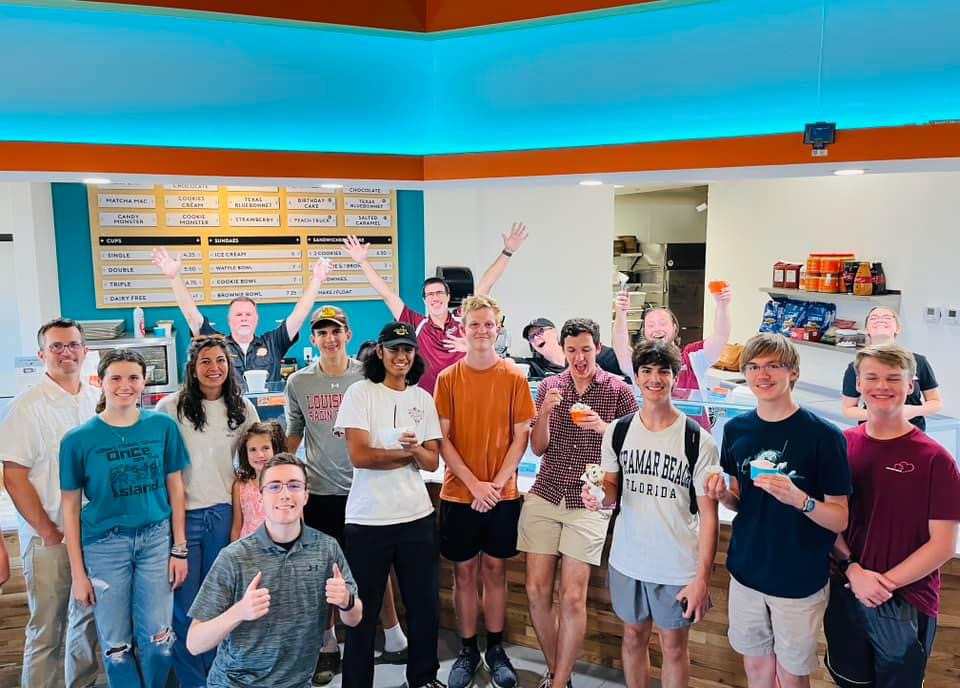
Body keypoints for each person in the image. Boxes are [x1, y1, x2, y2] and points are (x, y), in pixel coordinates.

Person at [703, 333, 851, 688]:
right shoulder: (737, 428)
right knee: (756, 668)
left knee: (792, 675)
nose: (762, 375)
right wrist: (724, 496)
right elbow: (740, 501)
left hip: (799, 579)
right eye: (752, 367)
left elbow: (840, 517)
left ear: (793, 373)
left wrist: (801, 499)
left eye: (773, 366)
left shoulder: (825, 436)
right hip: (746, 571)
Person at [581, 340, 720, 688]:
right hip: (628, 559)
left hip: (676, 564)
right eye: (646, 371)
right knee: (632, 637)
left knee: (673, 648)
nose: (654, 379)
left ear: (676, 377)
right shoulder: (619, 430)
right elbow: (612, 489)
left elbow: (709, 516)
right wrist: (598, 497)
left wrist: (702, 577)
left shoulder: (697, 440)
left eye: (663, 371)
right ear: (637, 376)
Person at [285, 306, 408, 685]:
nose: (330, 338)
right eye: (322, 333)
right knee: (324, 570)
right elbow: (295, 432)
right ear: (314, 339)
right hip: (321, 491)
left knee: (374, 567)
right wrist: (285, 476)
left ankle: (393, 634)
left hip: (367, 488)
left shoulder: (368, 376)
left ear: (348, 334)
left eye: (336, 331)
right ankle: (327, 644)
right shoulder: (299, 383)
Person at [824, 343, 960, 688]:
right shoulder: (840, 446)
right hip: (847, 591)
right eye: (872, 377)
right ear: (857, 384)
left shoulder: (935, 459)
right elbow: (829, 521)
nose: (881, 386)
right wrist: (854, 572)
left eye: (893, 378)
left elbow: (943, 544)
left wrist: (883, 584)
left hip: (906, 602)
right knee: (849, 682)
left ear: (911, 387)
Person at [519, 318, 638, 688]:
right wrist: (548, 414)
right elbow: (537, 448)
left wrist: (604, 427)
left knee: (572, 598)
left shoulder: (618, 390)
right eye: (572, 350)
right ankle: (559, 672)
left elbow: (633, 448)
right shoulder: (551, 386)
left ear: (597, 348)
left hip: (590, 499)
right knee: (537, 591)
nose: (579, 357)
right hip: (546, 490)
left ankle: (557, 682)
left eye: (586, 349)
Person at [60, 349, 190, 688]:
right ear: (99, 382)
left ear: (144, 381)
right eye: (115, 377)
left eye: (133, 377)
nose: (125, 385)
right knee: (117, 645)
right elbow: (70, 507)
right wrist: (78, 573)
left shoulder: (162, 426)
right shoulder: (78, 440)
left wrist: (179, 549)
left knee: (160, 640)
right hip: (105, 547)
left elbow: (176, 488)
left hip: (156, 540)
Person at [186, 453, 363, 688]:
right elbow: (194, 642)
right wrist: (239, 612)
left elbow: (355, 618)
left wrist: (346, 601)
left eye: (294, 485)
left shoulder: (327, 548)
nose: (285, 494)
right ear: (261, 496)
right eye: (274, 486)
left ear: (306, 495)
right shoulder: (234, 557)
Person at [334, 321, 444, 688]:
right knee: (361, 612)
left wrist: (416, 453)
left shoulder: (422, 399)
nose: (401, 356)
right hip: (368, 521)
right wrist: (409, 452)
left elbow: (432, 462)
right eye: (394, 349)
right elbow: (361, 456)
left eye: (408, 349)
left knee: (424, 607)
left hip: (417, 518)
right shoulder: (360, 394)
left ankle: (424, 678)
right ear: (380, 352)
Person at [433, 295, 536, 688]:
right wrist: (474, 484)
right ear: (463, 328)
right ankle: (467, 649)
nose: (481, 331)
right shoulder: (448, 379)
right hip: (460, 494)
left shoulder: (513, 377)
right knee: (464, 574)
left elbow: (521, 435)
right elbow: (443, 439)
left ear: (498, 328)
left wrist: (494, 484)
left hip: (502, 495)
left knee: (495, 570)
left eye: (488, 324)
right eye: (474, 324)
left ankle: (495, 648)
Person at [0, 318, 99, 687]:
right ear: (42, 355)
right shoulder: (28, 407)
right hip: (50, 538)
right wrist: (47, 530)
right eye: (56, 346)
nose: (65, 352)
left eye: (72, 345)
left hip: (93, 534)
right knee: (47, 629)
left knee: (85, 623)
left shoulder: (95, 401)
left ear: (85, 352)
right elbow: (13, 475)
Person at [156, 335, 260, 688]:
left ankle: (219, 677)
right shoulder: (170, 408)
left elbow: (257, 458)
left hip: (225, 515)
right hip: (184, 516)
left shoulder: (243, 408)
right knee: (184, 607)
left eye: (220, 360)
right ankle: (192, 681)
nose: (213, 368)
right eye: (205, 361)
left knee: (219, 603)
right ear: (193, 367)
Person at [343, 222, 529, 393]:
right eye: (430, 294)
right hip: (429, 402)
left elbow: (485, 286)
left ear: (448, 297)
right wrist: (363, 262)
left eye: (440, 293)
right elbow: (387, 295)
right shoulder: (415, 323)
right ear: (425, 301)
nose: (435, 298)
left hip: (465, 397)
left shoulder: (463, 317)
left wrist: (507, 251)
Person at [152, 247, 332, 382]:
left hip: (268, 420)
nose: (244, 317)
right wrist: (175, 278)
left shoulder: (273, 342)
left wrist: (317, 279)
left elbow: (299, 315)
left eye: (248, 314)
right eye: (238, 315)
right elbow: (191, 315)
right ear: (229, 321)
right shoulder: (217, 343)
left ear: (256, 320)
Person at [613, 285, 732, 428]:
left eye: (663, 323)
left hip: (693, 436)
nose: (657, 329)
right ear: (644, 332)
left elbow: (721, 335)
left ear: (674, 328)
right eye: (650, 325)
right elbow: (620, 346)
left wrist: (722, 306)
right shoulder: (639, 360)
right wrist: (621, 313)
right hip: (653, 436)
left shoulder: (692, 356)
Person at [840, 306, 942, 431]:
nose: (880, 320)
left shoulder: (917, 362)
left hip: (911, 433)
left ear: (898, 329)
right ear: (867, 329)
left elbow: (936, 402)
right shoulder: (857, 366)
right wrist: (877, 414)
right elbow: (848, 409)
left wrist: (913, 411)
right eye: (874, 318)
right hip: (872, 432)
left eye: (887, 317)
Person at [520, 317, 628, 381]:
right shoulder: (536, 367)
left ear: (554, 332)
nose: (536, 337)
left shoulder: (595, 354)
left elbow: (629, 366)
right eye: (531, 337)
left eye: (540, 332)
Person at [230, 420, 285, 540]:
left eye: (265, 448)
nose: (260, 455)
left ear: (274, 450)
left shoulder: (286, 483)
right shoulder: (240, 486)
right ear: (246, 453)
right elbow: (237, 526)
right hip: (248, 552)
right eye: (253, 450)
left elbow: (298, 522)